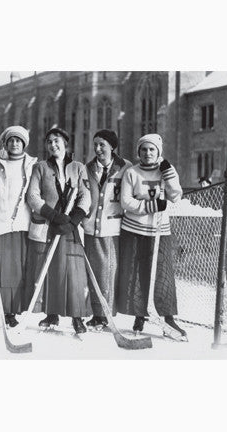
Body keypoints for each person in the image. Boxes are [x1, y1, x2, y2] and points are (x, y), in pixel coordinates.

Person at [117, 133, 187, 337]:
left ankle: (168, 318)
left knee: (163, 273)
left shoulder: (167, 170)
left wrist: (169, 175)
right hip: (134, 229)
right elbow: (126, 202)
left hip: (160, 230)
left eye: (152, 150)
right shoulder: (132, 173)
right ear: (139, 152)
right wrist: (152, 205)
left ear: (159, 152)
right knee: (138, 272)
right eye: (144, 149)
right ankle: (140, 315)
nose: (148, 153)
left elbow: (175, 196)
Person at [25, 127, 91, 335]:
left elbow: (85, 195)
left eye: (57, 141)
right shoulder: (40, 168)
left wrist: (73, 221)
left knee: (74, 273)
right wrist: (54, 216)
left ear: (65, 143)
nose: (53, 145)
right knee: (51, 271)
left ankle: (77, 317)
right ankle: (51, 313)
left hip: (70, 228)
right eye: (49, 142)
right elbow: (33, 196)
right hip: (48, 227)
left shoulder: (78, 167)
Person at [0, 126, 37, 327]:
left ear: (24, 143)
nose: (15, 144)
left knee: (19, 269)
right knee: (2, 268)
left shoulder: (32, 164)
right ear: (5, 143)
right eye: (11, 140)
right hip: (0, 221)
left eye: (19, 141)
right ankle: (4, 309)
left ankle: (15, 309)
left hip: (23, 223)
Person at [83, 130, 132, 330]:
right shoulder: (88, 168)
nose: (98, 148)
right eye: (95, 144)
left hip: (113, 228)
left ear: (112, 146)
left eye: (102, 144)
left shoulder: (126, 167)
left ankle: (105, 314)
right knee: (94, 272)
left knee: (108, 272)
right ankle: (96, 314)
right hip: (91, 227)